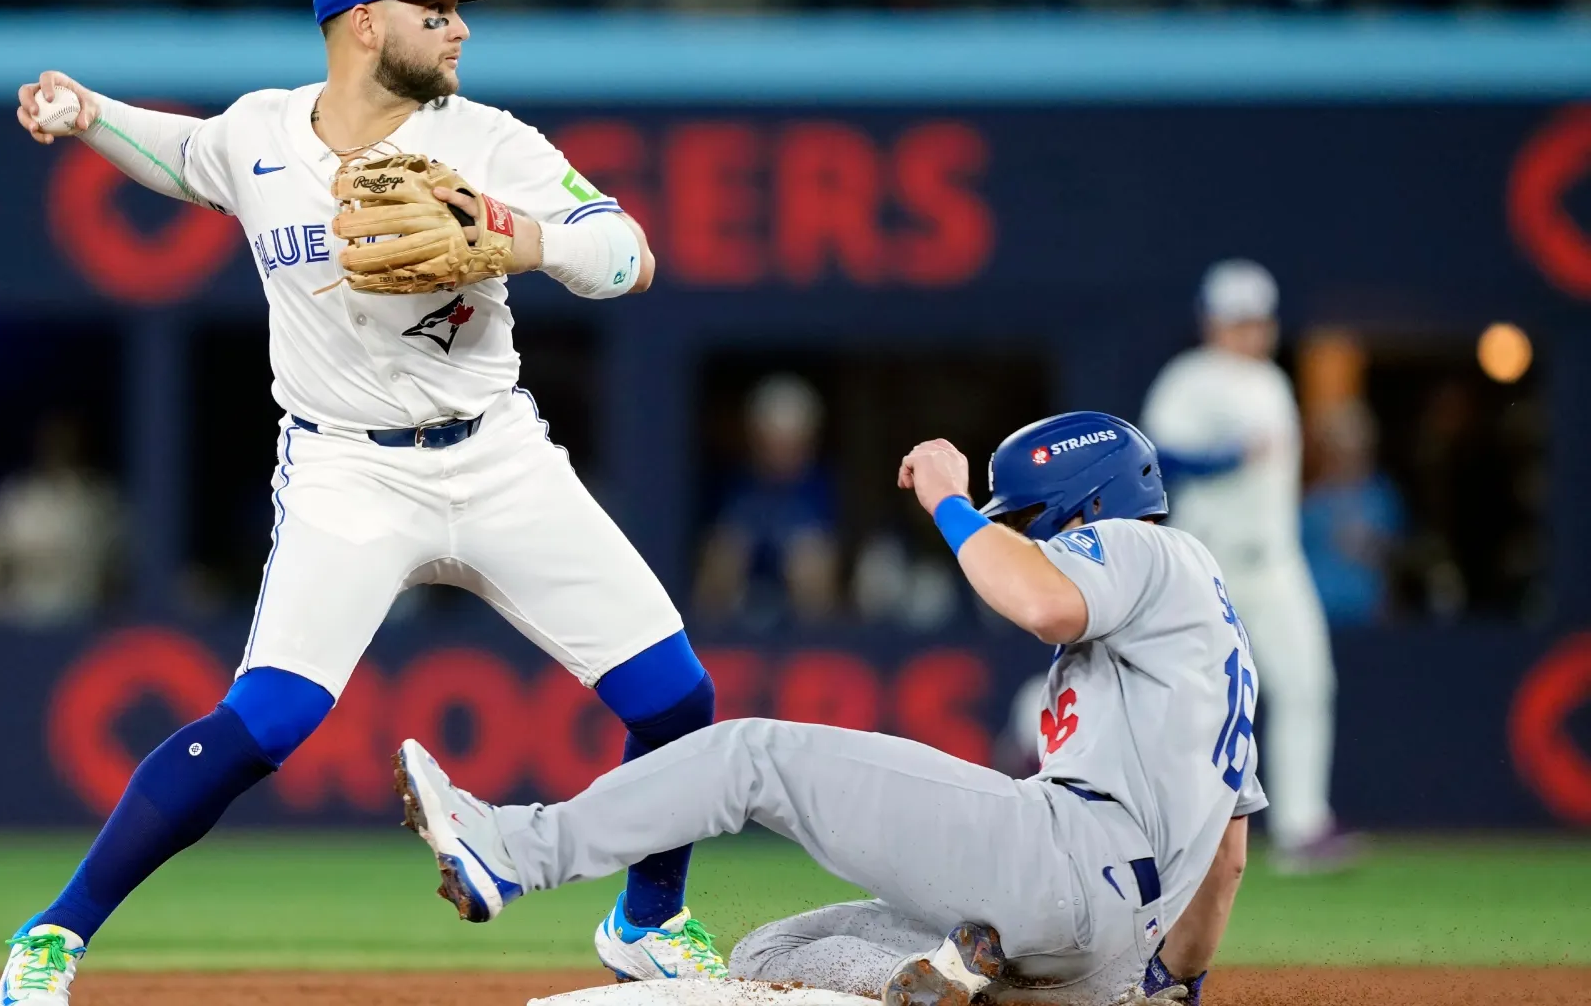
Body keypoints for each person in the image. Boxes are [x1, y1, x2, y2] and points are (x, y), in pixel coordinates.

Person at [0, 0, 723, 1001]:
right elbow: (185, 157)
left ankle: (649, 921)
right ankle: (54, 935)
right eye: (439, 11)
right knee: (266, 724)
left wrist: (520, 236)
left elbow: (631, 255)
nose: (463, 26)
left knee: (678, 701)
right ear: (365, 22)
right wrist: (92, 113)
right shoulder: (260, 136)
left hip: (496, 456)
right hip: (350, 474)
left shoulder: (488, 141)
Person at [395, 411, 1262, 1006]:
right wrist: (1161, 985)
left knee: (749, 756)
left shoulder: (1149, 548)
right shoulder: (1216, 658)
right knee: (766, 957)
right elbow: (1226, 857)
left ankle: (509, 852)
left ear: (1094, 501)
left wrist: (950, 503)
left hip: (1064, 857)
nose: (1023, 533)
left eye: (1033, 516)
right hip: (1101, 946)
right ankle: (939, 977)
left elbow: (1041, 600)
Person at [1140, 259, 1351, 873]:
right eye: (1236, 320)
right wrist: (1228, 456)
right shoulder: (1191, 377)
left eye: (1257, 320)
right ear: (1211, 321)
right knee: (1178, 693)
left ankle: (1302, 827)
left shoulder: (1272, 383)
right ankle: (1164, 830)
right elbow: (1157, 458)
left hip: (1277, 560)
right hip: (1212, 560)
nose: (1248, 331)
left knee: (1308, 685)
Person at [694, 373, 840, 628]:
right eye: (772, 443)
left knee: (809, 556)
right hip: (736, 618)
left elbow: (830, 588)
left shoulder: (821, 490)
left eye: (791, 445)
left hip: (802, 626)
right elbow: (708, 586)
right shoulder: (734, 487)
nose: (781, 455)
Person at [0, 416, 122, 626]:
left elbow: (115, 572)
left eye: (63, 439)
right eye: (50, 439)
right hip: (22, 627)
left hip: (84, 626)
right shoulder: (15, 498)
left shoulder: (98, 501)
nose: (56, 447)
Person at [1300, 400, 1403, 626]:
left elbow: (1397, 554)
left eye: (1356, 449)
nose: (1348, 458)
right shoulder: (1310, 502)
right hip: (1320, 616)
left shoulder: (1382, 498)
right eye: (1340, 450)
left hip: (1369, 614)